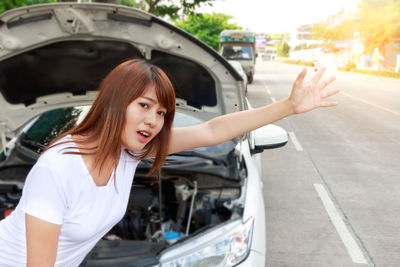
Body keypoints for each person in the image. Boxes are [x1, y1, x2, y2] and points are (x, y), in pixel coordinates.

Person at [0, 59, 338, 266]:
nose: (153, 120)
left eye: (161, 113)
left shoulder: (131, 151)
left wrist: (288, 107)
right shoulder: (57, 168)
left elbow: (210, 130)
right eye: (144, 105)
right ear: (116, 102)